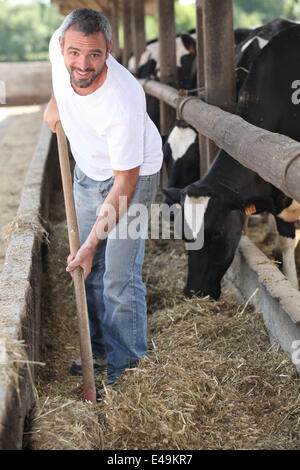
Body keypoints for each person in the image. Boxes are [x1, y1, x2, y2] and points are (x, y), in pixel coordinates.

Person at [44, 8, 163, 398]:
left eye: (94, 54)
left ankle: (126, 371)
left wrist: (93, 242)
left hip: (133, 177)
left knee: (116, 276)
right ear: (61, 46)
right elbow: (63, 79)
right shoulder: (57, 48)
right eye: (75, 52)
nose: (83, 64)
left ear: (109, 50)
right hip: (87, 168)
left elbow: (125, 182)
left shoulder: (124, 99)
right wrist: (57, 101)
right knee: (86, 272)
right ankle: (95, 350)